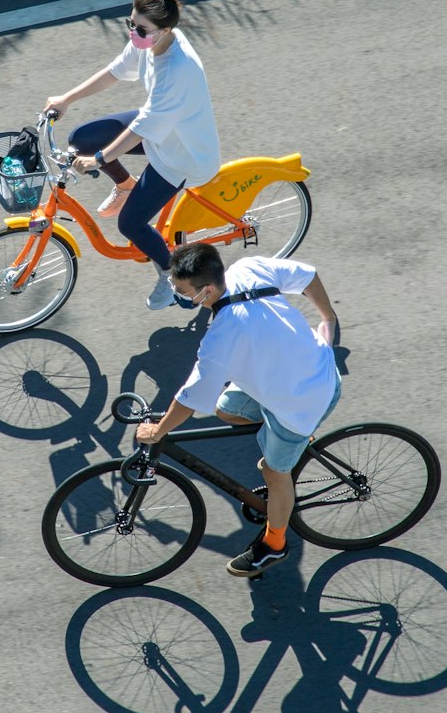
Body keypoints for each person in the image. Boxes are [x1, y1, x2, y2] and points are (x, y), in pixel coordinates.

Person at [134, 241, 341, 577]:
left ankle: (274, 545)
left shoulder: (222, 335)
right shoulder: (248, 267)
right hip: (304, 369)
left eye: (182, 289)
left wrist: (158, 431)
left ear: (208, 290)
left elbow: (189, 398)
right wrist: (328, 317)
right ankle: (291, 443)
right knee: (225, 409)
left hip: (304, 397)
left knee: (274, 474)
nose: (176, 292)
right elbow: (308, 277)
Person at [43, 0, 220, 310]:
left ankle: (173, 276)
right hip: (159, 127)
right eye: (130, 23)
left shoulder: (179, 68)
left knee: (130, 223)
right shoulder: (148, 42)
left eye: (141, 28)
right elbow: (115, 71)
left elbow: (142, 128)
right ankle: (126, 186)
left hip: (181, 154)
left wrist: (100, 159)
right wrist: (67, 99)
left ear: (165, 29)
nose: (133, 32)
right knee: (81, 138)